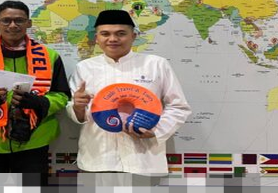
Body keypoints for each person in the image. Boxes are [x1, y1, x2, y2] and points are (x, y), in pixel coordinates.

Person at [0, 0, 71, 184]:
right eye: (6, 20)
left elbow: (62, 94)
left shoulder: (50, 57)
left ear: (29, 23)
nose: (12, 25)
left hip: (34, 141)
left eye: (19, 20)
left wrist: (40, 102)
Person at [67, 9, 191, 174]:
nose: (113, 39)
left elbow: (179, 106)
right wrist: (77, 107)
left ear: (133, 36)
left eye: (121, 33)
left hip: (144, 159)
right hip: (98, 159)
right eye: (105, 34)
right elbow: (76, 112)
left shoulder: (156, 65)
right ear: (96, 38)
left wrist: (157, 131)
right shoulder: (84, 68)